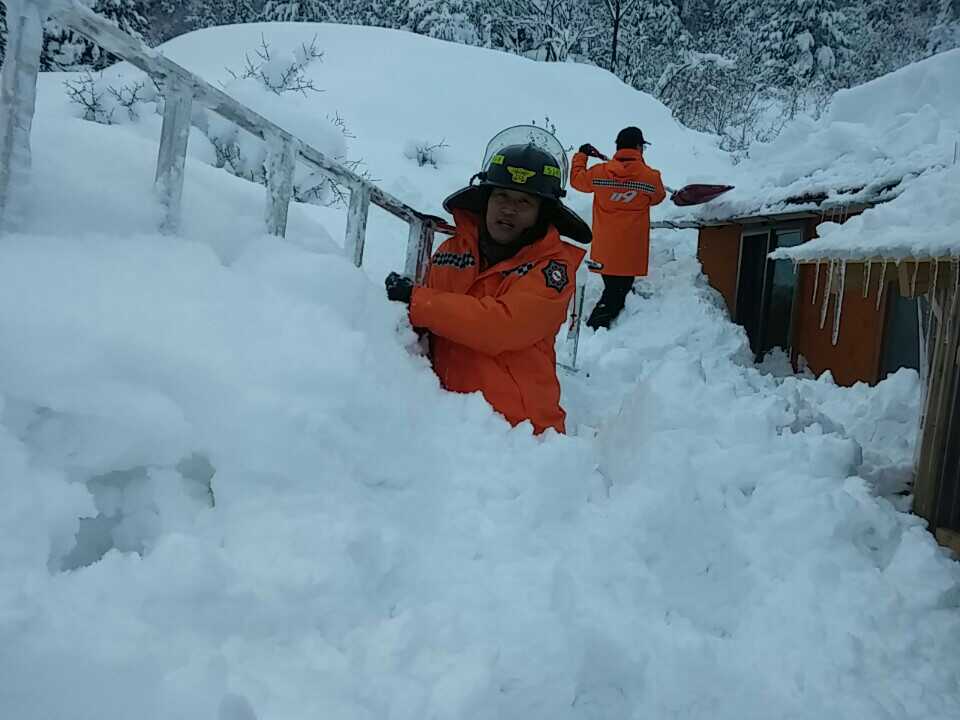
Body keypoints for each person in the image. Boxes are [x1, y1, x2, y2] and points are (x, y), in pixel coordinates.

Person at [384, 133, 591, 434]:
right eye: (501, 196)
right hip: (445, 419)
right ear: (486, 200)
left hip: (520, 433)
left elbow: (501, 326)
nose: (509, 208)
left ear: (542, 213)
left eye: (524, 201)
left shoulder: (553, 269)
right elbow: (424, 325)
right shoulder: (451, 251)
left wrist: (417, 300)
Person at [570, 126, 666, 330]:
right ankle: (595, 328)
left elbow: (577, 181)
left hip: (605, 249)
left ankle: (605, 319)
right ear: (639, 147)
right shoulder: (650, 177)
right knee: (616, 293)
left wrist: (581, 156)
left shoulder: (600, 173)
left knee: (614, 287)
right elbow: (658, 197)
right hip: (631, 250)